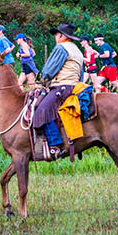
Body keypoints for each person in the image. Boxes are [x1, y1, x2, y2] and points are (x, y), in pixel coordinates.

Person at [33, 22, 84, 158]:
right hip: (75, 87)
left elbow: (48, 71)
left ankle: (55, 144)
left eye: (56, 35)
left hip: (62, 87)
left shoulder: (62, 47)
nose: (55, 38)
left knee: (41, 111)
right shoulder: (77, 50)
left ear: (61, 35)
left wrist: (43, 79)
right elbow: (82, 75)